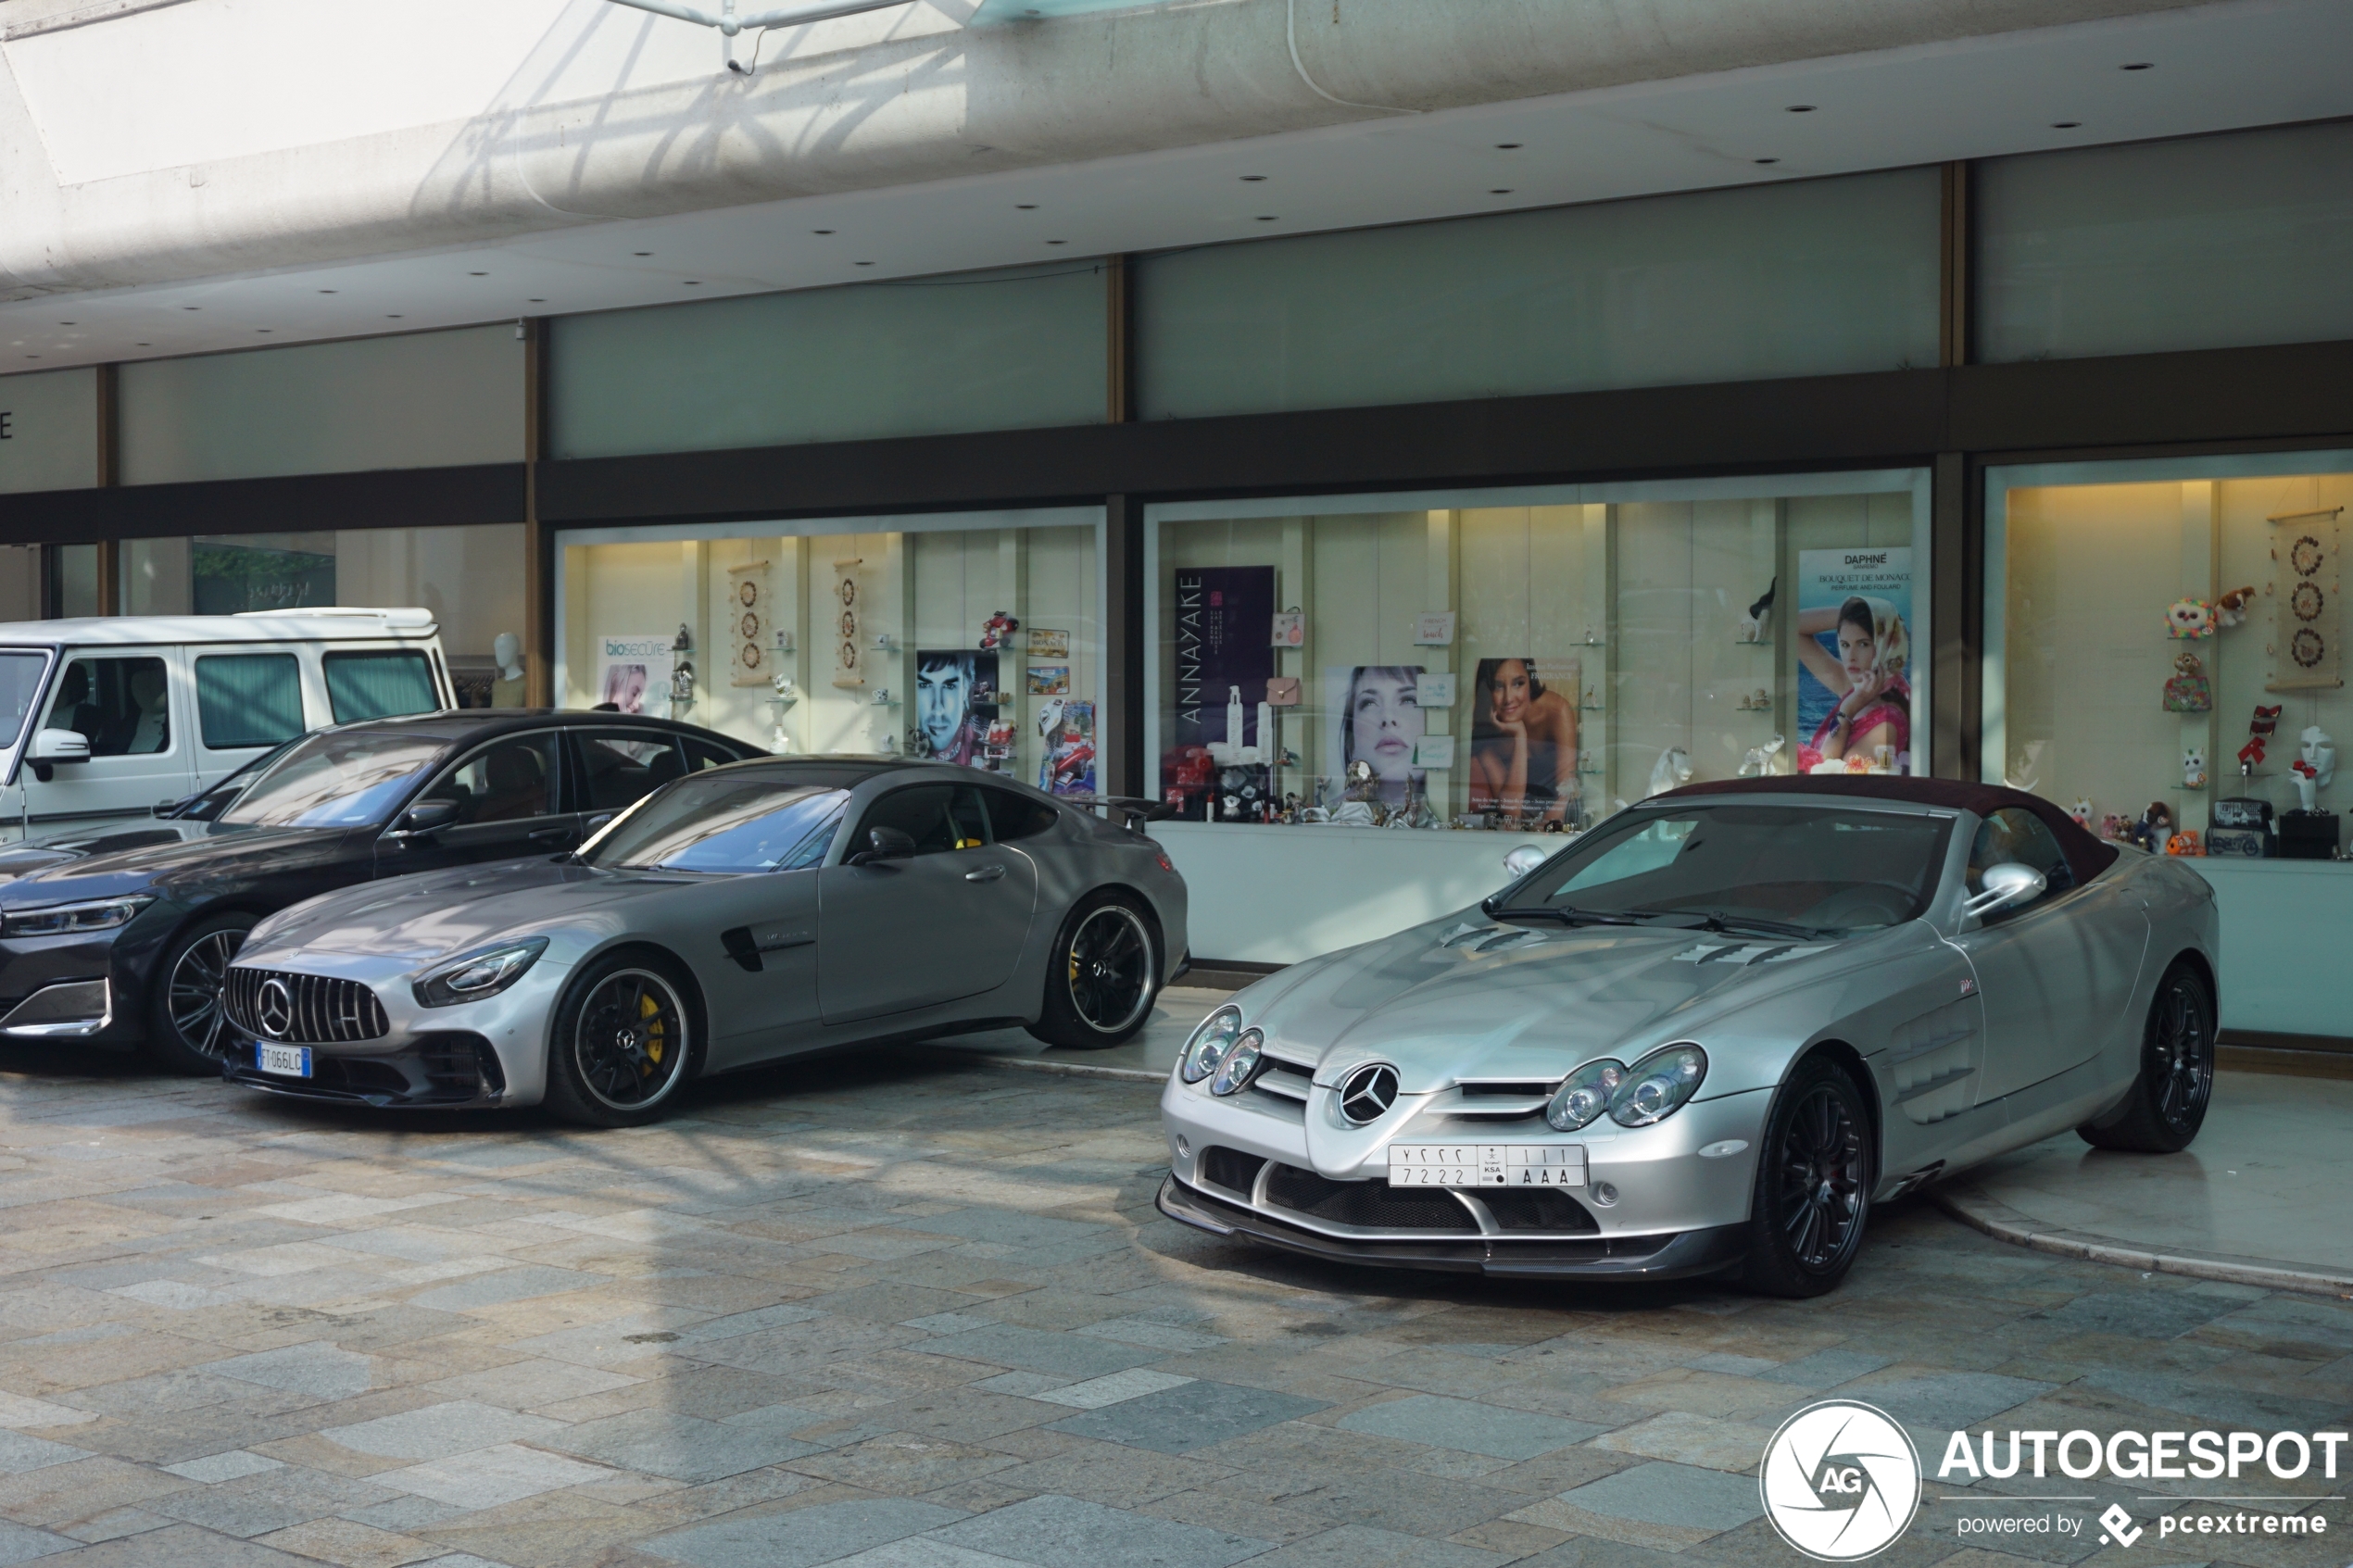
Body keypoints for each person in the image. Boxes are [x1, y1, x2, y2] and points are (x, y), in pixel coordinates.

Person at [1797, 596, 1910, 771]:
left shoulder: (1886, 723)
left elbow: (1827, 777)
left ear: (1884, 644)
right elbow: (1792, 628)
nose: (1851, 656)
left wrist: (1847, 710)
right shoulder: (1859, 687)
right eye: (1845, 644)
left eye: (1863, 644)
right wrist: (1850, 615)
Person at [1467, 659, 1577, 822]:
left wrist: (1547, 828)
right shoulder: (1486, 732)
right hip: (1521, 822)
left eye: (1518, 684)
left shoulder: (1556, 710)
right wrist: (1520, 735)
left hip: (1561, 818)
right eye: (1498, 686)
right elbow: (1511, 810)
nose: (1508, 698)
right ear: (1487, 692)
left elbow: (1567, 793)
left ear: (1530, 683)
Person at [1338, 665, 1425, 809]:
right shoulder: (1331, 818)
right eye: (1369, 703)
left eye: (1409, 700)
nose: (1388, 717)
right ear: (1351, 741)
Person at [916, 652, 983, 765]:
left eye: (949, 686)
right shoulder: (904, 735)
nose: (938, 710)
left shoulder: (982, 738)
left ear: (965, 690)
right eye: (925, 685)